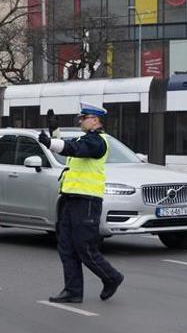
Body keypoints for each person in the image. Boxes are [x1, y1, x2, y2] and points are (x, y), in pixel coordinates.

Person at [38, 103, 124, 304]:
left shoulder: (98, 142)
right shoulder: (85, 139)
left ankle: (112, 277)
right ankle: (73, 291)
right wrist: (54, 131)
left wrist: (49, 143)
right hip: (70, 199)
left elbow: (75, 149)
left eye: (83, 117)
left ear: (95, 120)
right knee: (66, 247)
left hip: (86, 201)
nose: (79, 120)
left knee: (84, 247)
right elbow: (68, 147)